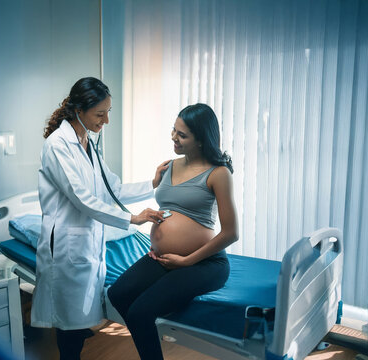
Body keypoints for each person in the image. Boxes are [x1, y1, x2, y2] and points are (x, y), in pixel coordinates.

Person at [31, 77, 169, 360]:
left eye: (108, 112)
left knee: (77, 320)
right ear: (79, 110)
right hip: (66, 245)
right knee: (69, 326)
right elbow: (82, 198)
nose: (105, 120)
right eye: (99, 113)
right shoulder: (58, 145)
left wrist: (151, 184)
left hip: (87, 242)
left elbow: (111, 188)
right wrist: (132, 218)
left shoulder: (89, 143)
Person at [107, 103, 239, 360]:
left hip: (204, 263)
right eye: (173, 130)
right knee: (117, 294)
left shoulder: (219, 173)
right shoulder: (170, 166)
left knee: (139, 312)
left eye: (182, 134)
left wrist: (186, 260)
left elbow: (231, 233)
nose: (173, 138)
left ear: (201, 140)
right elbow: (169, 205)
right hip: (164, 259)